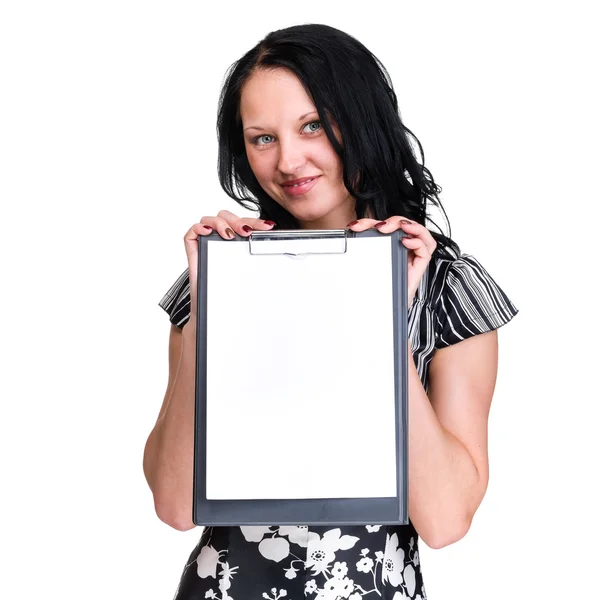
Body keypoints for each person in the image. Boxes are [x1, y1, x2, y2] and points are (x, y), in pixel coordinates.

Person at [143, 23, 519, 600]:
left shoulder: (447, 287)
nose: (289, 160)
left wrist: (384, 316)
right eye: (262, 137)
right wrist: (211, 308)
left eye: (312, 125)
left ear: (361, 119)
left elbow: (445, 521)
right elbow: (174, 505)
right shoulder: (215, 278)